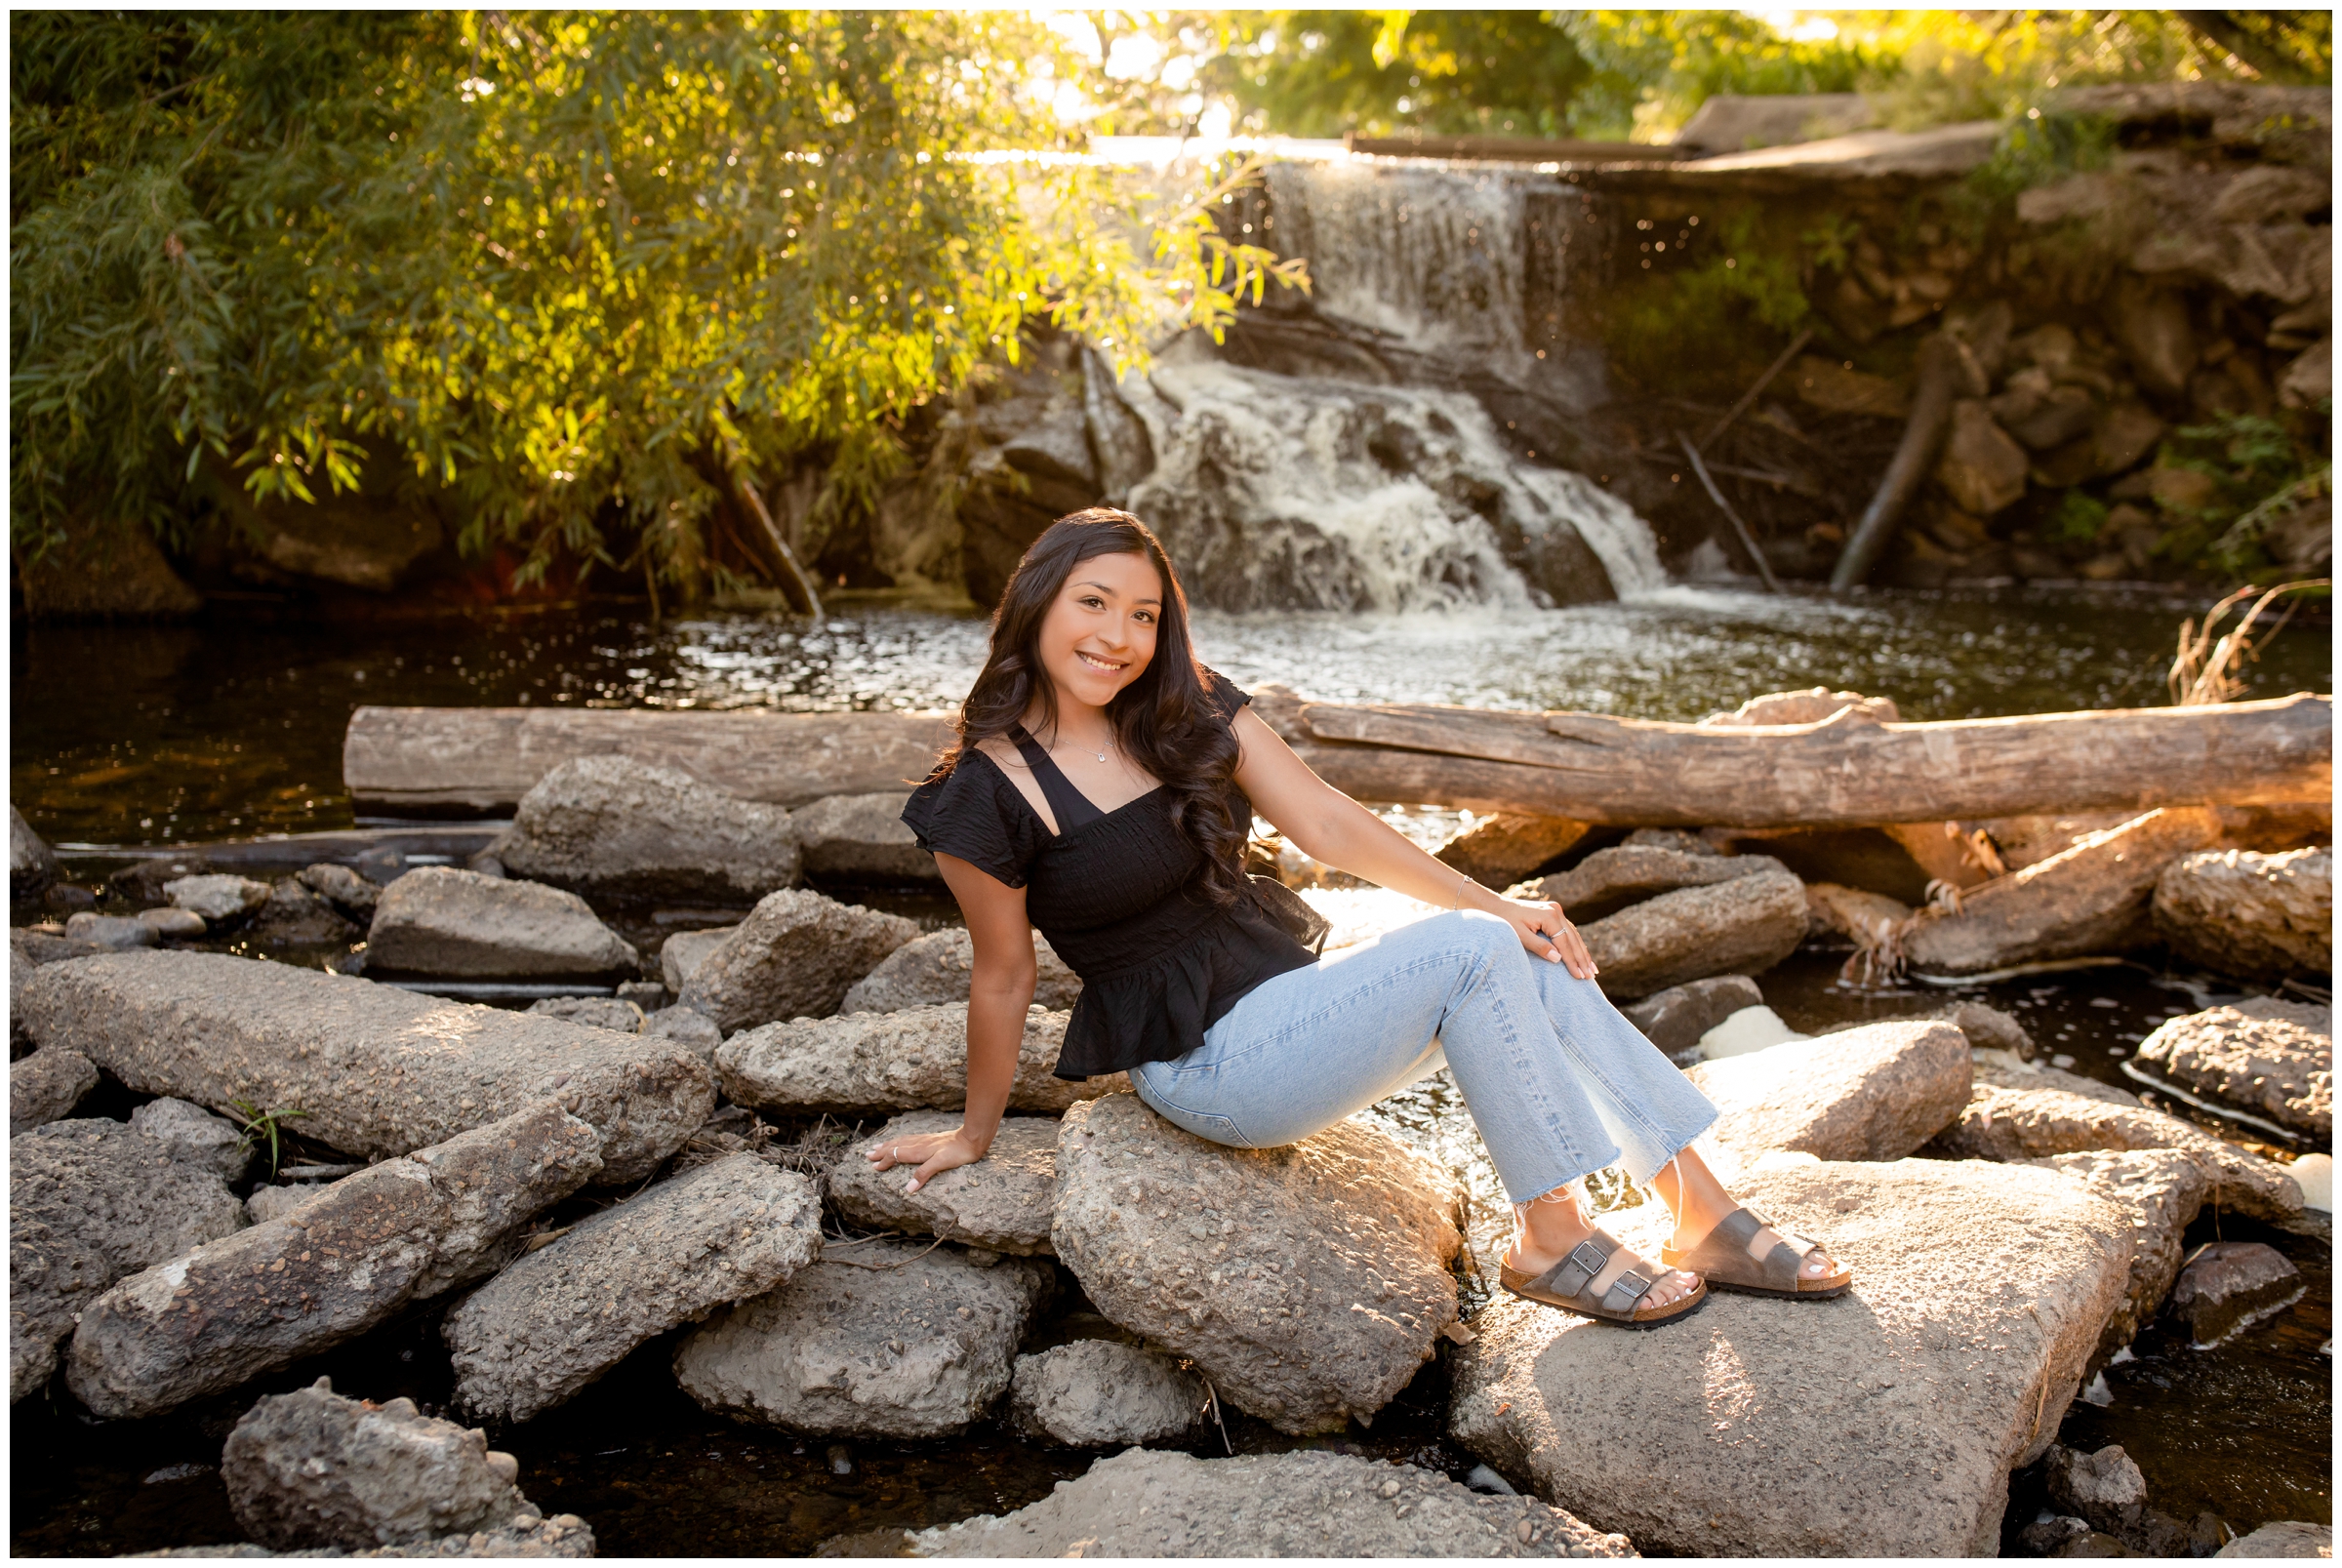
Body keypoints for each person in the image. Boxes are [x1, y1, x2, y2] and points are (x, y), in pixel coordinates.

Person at [871, 508, 1850, 1326]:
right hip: (1211, 1065)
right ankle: (1551, 1231)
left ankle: (1701, 1210)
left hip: (1295, 999)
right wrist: (973, 1131)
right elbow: (1004, 973)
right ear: (1037, 598)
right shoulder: (984, 792)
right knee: (1475, 948)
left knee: (1528, 943)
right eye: (1094, 603)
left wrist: (1499, 903)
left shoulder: (1182, 703)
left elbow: (1328, 820)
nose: (1118, 636)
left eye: (1142, 613)